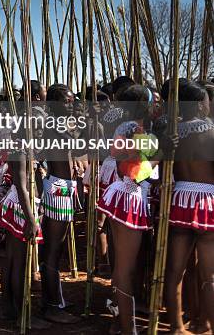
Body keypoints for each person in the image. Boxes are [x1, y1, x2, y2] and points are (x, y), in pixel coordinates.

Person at [97, 84, 159, 335]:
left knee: (122, 268)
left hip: (123, 195)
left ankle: (119, 323)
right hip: (129, 196)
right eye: (152, 101)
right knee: (125, 269)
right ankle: (127, 328)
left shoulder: (129, 127)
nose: (156, 105)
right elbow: (133, 172)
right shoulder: (134, 128)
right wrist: (161, 155)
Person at [0, 105, 49, 329]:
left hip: (23, 206)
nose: (42, 130)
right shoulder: (21, 149)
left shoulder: (26, 146)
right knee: (19, 261)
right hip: (22, 207)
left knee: (14, 259)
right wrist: (31, 218)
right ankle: (21, 312)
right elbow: (22, 186)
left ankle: (10, 307)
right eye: (39, 126)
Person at [165, 80, 214, 335]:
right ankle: (207, 323)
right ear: (198, 105)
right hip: (207, 202)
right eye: (207, 101)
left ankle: (176, 327)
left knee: (175, 270)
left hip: (180, 199)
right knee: (210, 276)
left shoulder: (172, 134)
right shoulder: (211, 132)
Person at [40, 83, 80, 324]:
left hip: (62, 187)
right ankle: (52, 305)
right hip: (59, 189)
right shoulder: (53, 128)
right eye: (67, 101)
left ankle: (55, 299)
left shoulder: (59, 127)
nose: (72, 105)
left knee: (57, 248)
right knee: (53, 249)